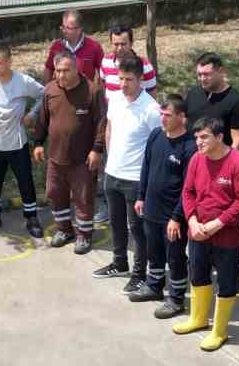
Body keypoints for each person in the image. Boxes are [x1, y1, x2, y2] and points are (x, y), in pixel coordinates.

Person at [172, 117, 239, 351]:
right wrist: (192, 221)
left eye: (204, 136)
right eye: (196, 137)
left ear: (219, 137)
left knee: (226, 282)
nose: (199, 141)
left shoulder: (238, 162)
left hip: (225, 236)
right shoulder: (196, 159)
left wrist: (218, 223)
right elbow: (188, 193)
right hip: (198, 232)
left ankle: (219, 331)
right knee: (198, 274)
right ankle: (198, 319)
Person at [93, 54, 162, 286]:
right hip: (113, 174)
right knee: (116, 222)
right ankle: (120, 262)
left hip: (135, 179)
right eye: (121, 78)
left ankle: (140, 274)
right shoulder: (114, 99)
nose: (123, 84)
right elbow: (109, 128)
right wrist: (110, 160)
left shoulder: (151, 109)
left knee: (138, 229)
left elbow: (158, 144)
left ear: (140, 80)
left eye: (129, 79)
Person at [129, 95, 197, 318]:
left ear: (182, 117)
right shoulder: (156, 135)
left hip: (173, 216)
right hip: (151, 209)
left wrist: (177, 217)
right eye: (162, 114)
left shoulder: (189, 147)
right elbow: (146, 167)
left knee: (175, 256)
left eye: (168, 115)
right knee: (153, 250)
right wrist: (141, 196)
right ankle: (154, 285)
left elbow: (189, 187)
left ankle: (176, 299)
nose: (163, 119)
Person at [34, 50, 105, 254]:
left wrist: (97, 150)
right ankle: (64, 230)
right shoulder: (50, 90)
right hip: (56, 158)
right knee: (55, 194)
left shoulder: (92, 91)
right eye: (58, 71)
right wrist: (38, 142)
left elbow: (101, 122)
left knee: (83, 198)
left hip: (82, 159)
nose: (61, 75)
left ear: (77, 69)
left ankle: (84, 235)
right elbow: (42, 119)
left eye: (66, 70)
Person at [0, 43, 45, 238]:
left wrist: (31, 114)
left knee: (25, 181)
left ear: (9, 62)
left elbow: (43, 95)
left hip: (16, 142)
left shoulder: (23, 81)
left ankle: (31, 217)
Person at [184, 52, 239, 151]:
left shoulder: (236, 102)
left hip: (218, 161)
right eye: (199, 74)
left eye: (206, 74)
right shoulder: (193, 93)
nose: (202, 79)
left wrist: (227, 163)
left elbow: (238, 140)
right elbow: (184, 122)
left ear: (220, 71)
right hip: (190, 158)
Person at [43, 9, 104, 85]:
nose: (64, 31)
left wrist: (98, 92)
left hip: (85, 93)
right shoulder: (56, 47)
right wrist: (48, 90)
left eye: (68, 28)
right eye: (63, 27)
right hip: (62, 93)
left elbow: (103, 71)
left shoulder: (94, 47)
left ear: (79, 29)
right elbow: (48, 69)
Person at [100, 22, 157, 96]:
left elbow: (152, 95)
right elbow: (103, 89)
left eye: (123, 44)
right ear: (111, 43)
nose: (120, 48)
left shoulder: (145, 66)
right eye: (116, 44)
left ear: (131, 43)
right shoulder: (105, 62)